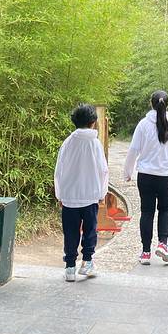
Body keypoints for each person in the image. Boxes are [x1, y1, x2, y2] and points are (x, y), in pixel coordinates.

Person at [124, 90, 168, 265]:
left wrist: (127, 172)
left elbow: (133, 150)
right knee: (165, 210)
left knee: (147, 211)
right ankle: (162, 244)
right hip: (165, 176)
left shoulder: (143, 125)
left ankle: (145, 252)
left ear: (150, 104)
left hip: (145, 176)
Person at [54, 103, 109, 282]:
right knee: (90, 230)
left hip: (70, 196)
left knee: (70, 232)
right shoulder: (95, 144)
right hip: (90, 195)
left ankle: (70, 267)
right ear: (93, 122)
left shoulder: (68, 142)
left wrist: (60, 194)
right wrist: (102, 193)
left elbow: (59, 170)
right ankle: (87, 262)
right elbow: (103, 170)